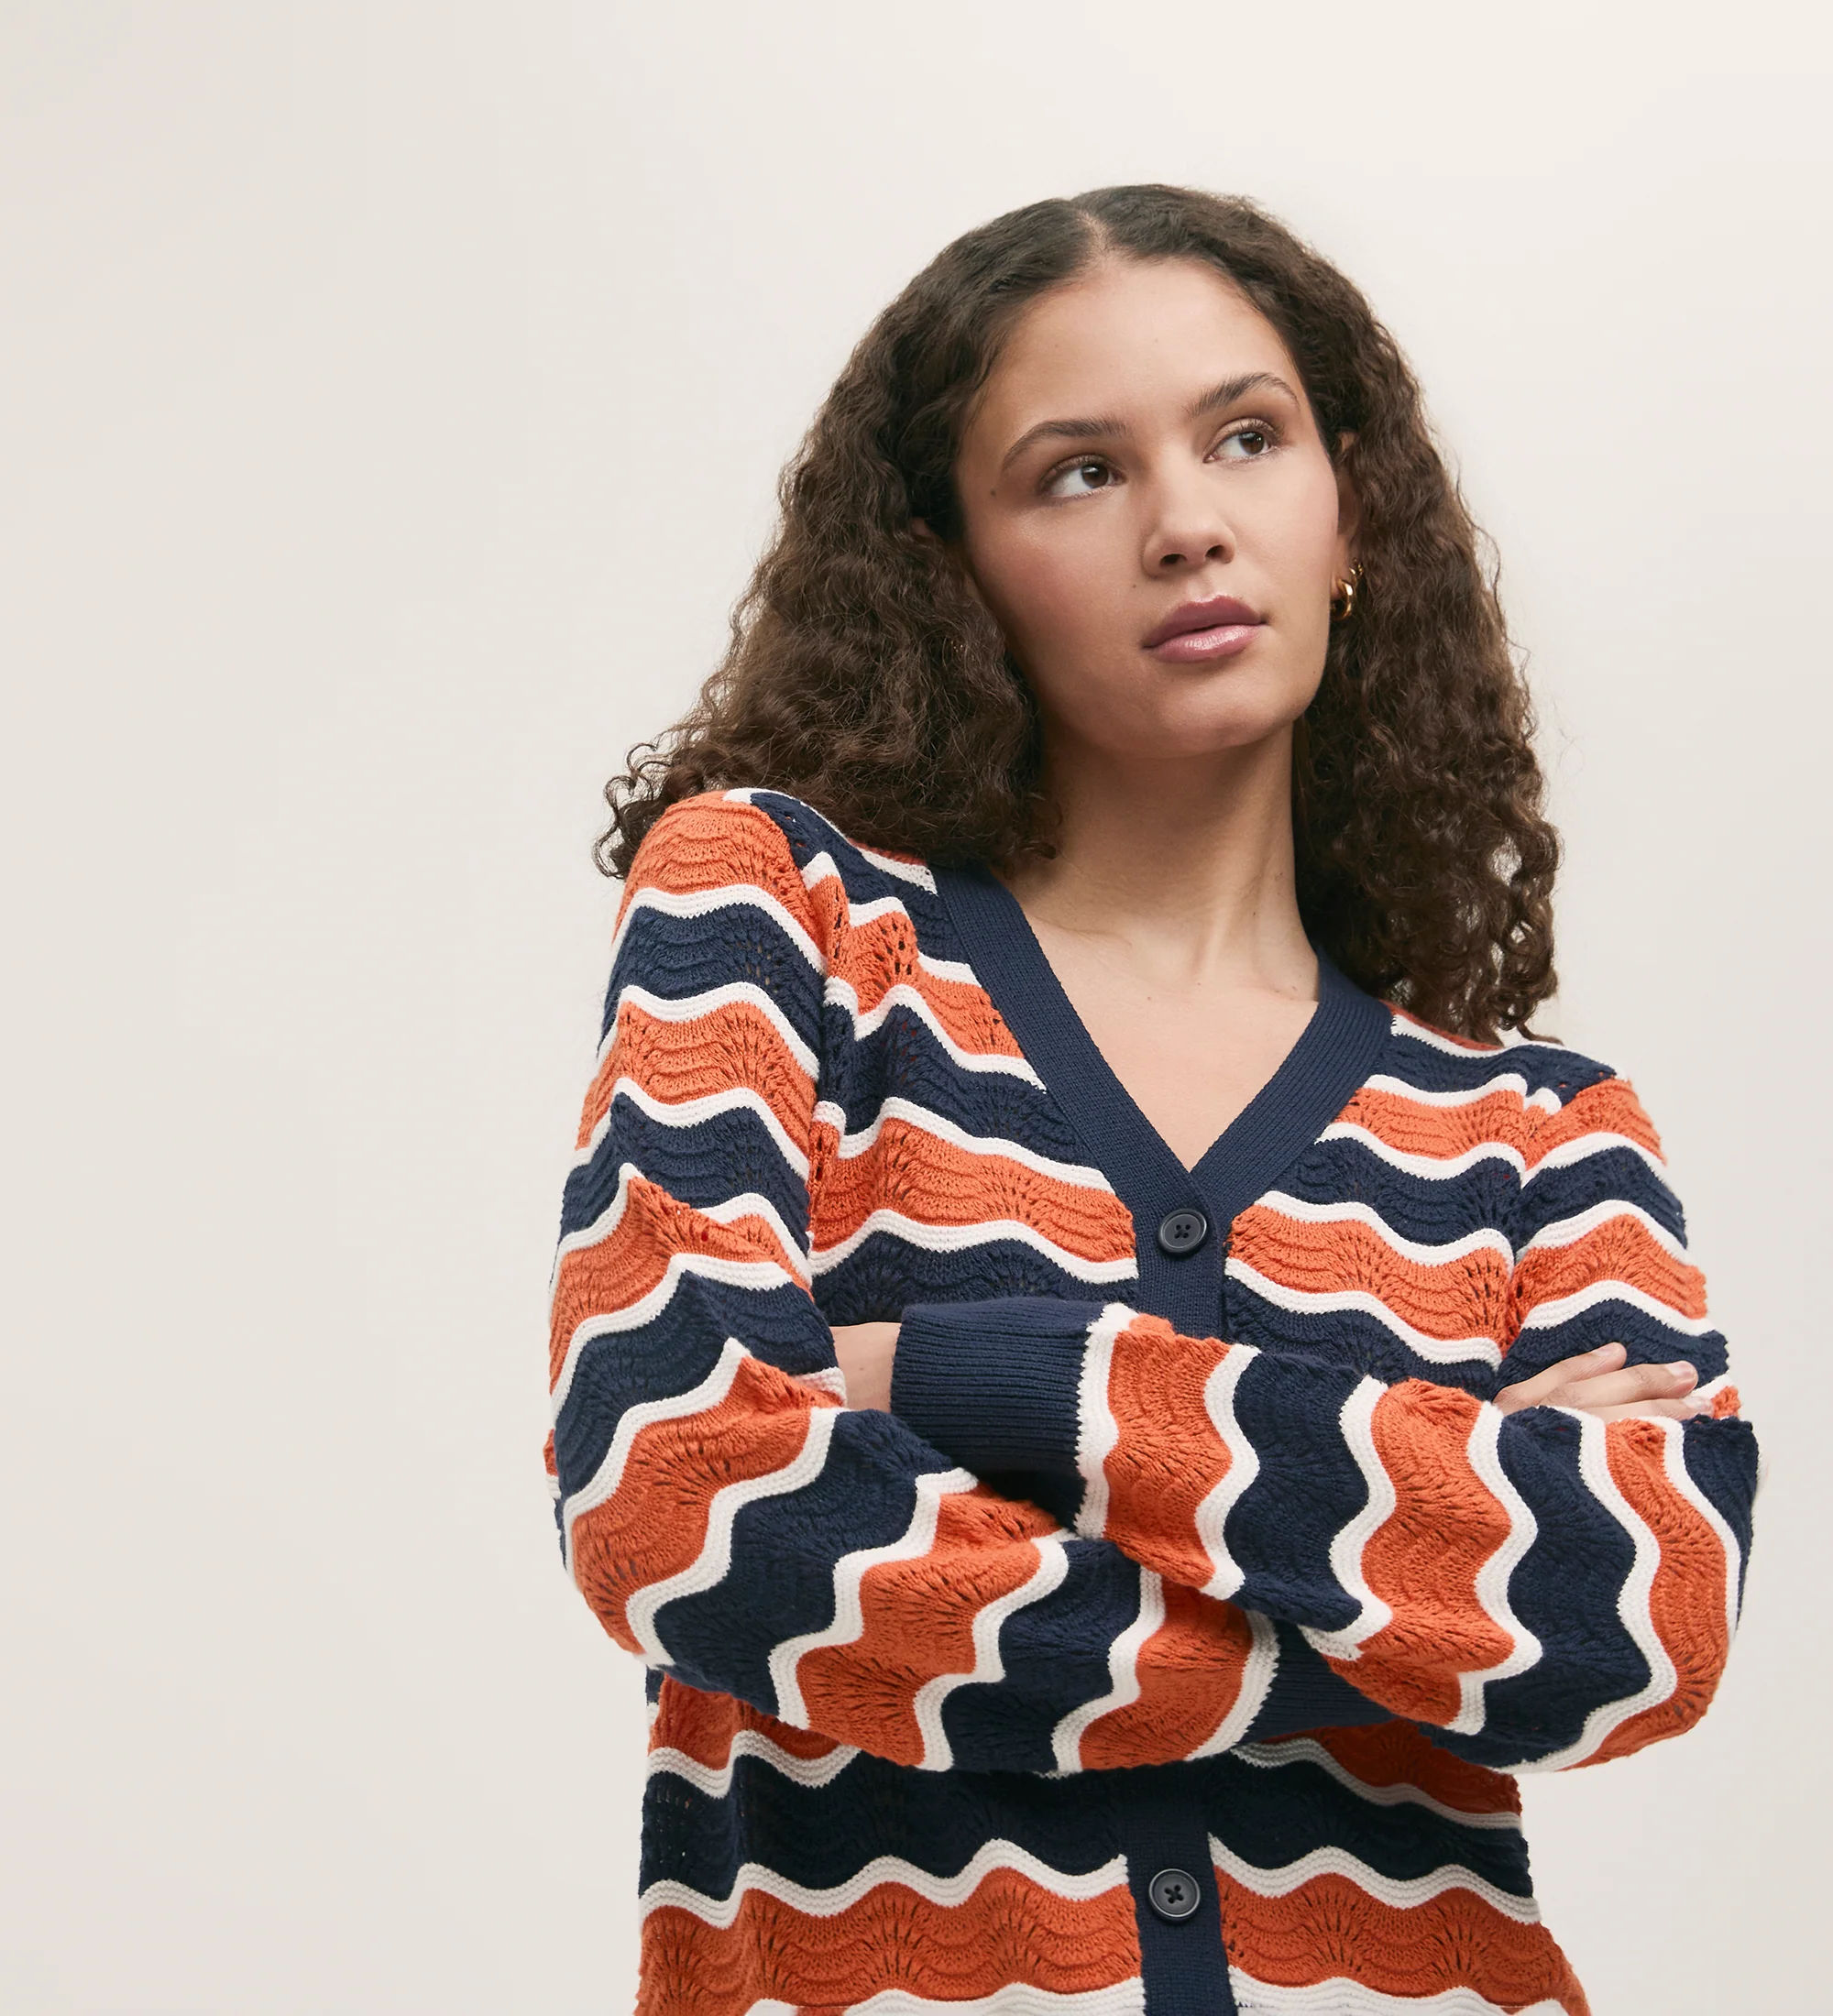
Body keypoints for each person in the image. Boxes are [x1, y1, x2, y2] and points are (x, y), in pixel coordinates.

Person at [544, 185, 1757, 2016]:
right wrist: (1400, 1594)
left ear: (1352, 515)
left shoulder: (1535, 1129)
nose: (1186, 522)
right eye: (1079, 472)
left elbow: (1649, 1605)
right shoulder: (782, 920)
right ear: (951, 567)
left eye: (1246, 436)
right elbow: (676, 1493)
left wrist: (951, 1376)